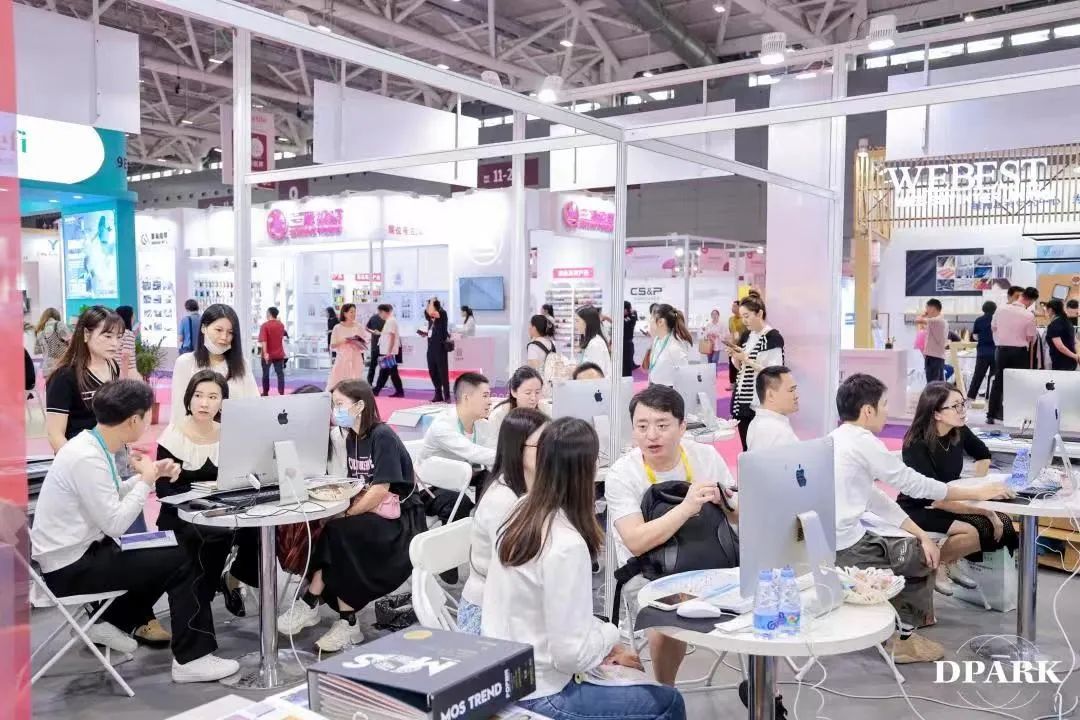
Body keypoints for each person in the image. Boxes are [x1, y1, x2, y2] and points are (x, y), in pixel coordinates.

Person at [30, 380, 240, 683]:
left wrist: (150, 475)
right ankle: (192, 659)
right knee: (183, 559)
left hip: (80, 553)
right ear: (133, 420)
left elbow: (110, 494)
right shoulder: (87, 457)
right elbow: (115, 523)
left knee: (168, 549)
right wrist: (146, 481)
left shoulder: (90, 445)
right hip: (70, 568)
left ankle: (112, 619)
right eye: (146, 416)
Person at [483, 417, 686, 720]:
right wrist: (610, 635)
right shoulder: (565, 544)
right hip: (543, 692)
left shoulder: (520, 509)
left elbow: (561, 623)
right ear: (588, 470)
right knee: (668, 702)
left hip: (506, 678)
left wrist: (603, 642)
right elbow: (570, 656)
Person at [830, 374, 1013, 663]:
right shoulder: (866, 442)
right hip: (848, 543)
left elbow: (875, 497)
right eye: (884, 404)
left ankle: (904, 629)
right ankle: (903, 640)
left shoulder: (839, 438)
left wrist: (921, 533)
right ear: (867, 410)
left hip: (848, 535)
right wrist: (977, 493)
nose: (887, 411)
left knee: (924, 546)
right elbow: (916, 486)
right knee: (922, 557)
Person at [277, 380, 425, 653]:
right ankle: (344, 620)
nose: (335, 411)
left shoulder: (382, 436)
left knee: (339, 533)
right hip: (374, 511)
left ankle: (313, 602)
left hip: (402, 519)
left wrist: (346, 513)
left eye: (339, 404)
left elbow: (380, 489)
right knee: (331, 533)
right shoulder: (352, 437)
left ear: (359, 406)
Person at [607, 385, 736, 685]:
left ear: (682, 427)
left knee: (763, 594)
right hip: (650, 572)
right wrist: (687, 508)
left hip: (712, 560)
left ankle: (767, 692)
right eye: (642, 426)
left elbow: (739, 514)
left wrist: (726, 503)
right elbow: (635, 541)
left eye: (662, 425)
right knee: (665, 620)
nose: (651, 435)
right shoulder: (623, 474)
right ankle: (668, 692)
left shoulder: (705, 456)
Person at [156, 370, 260, 617]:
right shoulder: (173, 435)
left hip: (224, 511)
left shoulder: (229, 434)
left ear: (223, 402)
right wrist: (200, 501)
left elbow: (243, 478)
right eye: (198, 395)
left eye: (213, 397)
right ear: (189, 399)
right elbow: (164, 490)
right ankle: (200, 600)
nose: (204, 403)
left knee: (260, 528)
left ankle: (233, 577)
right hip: (182, 516)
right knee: (214, 536)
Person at [901, 383, 1018, 595]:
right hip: (919, 507)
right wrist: (984, 508)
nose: (962, 410)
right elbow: (935, 498)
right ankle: (936, 565)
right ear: (936, 413)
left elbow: (983, 454)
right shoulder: (916, 443)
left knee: (1005, 523)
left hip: (950, 501)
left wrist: (976, 485)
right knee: (977, 530)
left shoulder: (958, 430)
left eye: (962, 404)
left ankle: (948, 560)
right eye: (955, 406)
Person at [458, 408, 548, 635]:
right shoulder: (502, 500)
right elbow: (512, 571)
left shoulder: (532, 487)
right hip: (489, 612)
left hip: (514, 602)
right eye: (542, 445)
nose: (551, 452)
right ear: (517, 449)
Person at [45, 306, 123, 452]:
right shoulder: (64, 376)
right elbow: (55, 435)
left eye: (118, 337)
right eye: (108, 336)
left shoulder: (112, 366)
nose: (115, 343)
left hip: (111, 455)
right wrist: (80, 461)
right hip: (80, 455)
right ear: (86, 334)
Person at [170, 304, 259, 424]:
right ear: (203, 328)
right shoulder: (185, 363)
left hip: (235, 431)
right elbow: (179, 410)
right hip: (197, 433)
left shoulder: (242, 364)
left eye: (230, 332)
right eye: (219, 330)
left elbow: (255, 403)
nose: (224, 337)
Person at [729, 296, 784, 450]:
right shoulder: (747, 336)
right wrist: (736, 356)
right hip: (743, 400)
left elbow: (774, 371)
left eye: (747, 316)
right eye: (742, 317)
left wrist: (746, 359)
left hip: (760, 403)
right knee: (746, 448)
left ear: (759, 313)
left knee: (760, 448)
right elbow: (741, 368)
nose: (744, 321)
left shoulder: (772, 337)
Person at [417, 371, 496, 469]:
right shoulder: (443, 425)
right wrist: (511, 458)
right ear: (466, 398)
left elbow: (492, 453)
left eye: (489, 396)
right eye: (485, 396)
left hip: (463, 476)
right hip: (431, 477)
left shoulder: (483, 424)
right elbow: (473, 452)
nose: (490, 402)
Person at [988, 286, 1038, 423]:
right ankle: (1016, 415)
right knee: (1018, 383)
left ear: (1021, 296)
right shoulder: (1029, 315)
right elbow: (1030, 338)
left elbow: (993, 327)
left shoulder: (1000, 309)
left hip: (1002, 351)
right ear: (1031, 301)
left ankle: (991, 415)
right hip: (1020, 353)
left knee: (998, 382)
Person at [745, 365, 800, 450]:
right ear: (770, 395)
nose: (796, 396)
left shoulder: (759, 423)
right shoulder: (776, 430)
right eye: (791, 390)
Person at [487, 366, 545, 437]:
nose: (533, 398)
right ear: (514, 392)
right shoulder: (499, 416)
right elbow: (493, 443)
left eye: (537, 392)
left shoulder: (545, 410)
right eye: (528, 393)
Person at [646, 304, 693, 387]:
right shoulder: (657, 340)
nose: (649, 322)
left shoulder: (674, 348)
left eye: (651, 318)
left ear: (660, 322)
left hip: (668, 392)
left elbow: (685, 379)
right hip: (654, 388)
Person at [327, 303, 367, 391]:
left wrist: (357, 342)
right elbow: (332, 345)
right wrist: (345, 340)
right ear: (345, 313)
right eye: (351, 312)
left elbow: (364, 345)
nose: (354, 314)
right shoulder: (337, 327)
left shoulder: (359, 326)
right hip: (342, 358)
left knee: (356, 380)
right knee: (339, 380)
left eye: (355, 312)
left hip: (356, 357)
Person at [421, 298, 451, 403]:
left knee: (442, 372)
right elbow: (427, 313)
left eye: (429, 305)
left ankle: (447, 396)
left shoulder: (442, 313)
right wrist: (425, 333)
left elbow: (431, 313)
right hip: (431, 347)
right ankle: (438, 394)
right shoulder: (430, 317)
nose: (427, 307)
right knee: (432, 371)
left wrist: (432, 300)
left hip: (440, 347)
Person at [372, 304, 405, 397]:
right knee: (385, 372)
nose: (379, 315)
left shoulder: (391, 321)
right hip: (387, 351)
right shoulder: (389, 321)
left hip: (388, 352)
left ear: (383, 312)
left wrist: (389, 352)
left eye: (379, 313)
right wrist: (380, 333)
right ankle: (377, 390)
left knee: (391, 372)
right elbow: (388, 335)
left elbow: (392, 336)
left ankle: (398, 391)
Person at [967, 301, 997, 401]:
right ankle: (989, 397)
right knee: (993, 376)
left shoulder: (979, 320)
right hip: (996, 352)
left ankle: (971, 397)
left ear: (983, 309)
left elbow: (975, 336)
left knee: (978, 375)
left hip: (982, 352)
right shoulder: (997, 319)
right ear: (995, 309)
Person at [258, 307, 289, 396]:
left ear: (269, 314)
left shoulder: (265, 325)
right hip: (279, 353)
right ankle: (281, 392)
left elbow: (264, 340)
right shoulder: (281, 325)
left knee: (266, 374)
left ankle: (265, 392)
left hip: (268, 354)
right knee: (280, 374)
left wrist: (265, 353)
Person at [575, 305, 611, 379]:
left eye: (577, 321)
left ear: (587, 322)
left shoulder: (595, 344)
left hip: (595, 385)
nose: (575, 325)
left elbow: (596, 375)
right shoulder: (592, 341)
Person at [34, 307, 70, 377]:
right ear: (57, 317)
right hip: (60, 368)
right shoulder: (59, 325)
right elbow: (72, 342)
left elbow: (38, 351)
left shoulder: (40, 333)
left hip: (46, 370)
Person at [919, 298, 948, 383]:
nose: (926, 310)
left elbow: (918, 320)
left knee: (932, 384)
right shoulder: (943, 321)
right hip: (938, 357)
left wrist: (923, 315)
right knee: (938, 383)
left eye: (927, 308)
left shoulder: (934, 321)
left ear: (932, 308)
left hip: (932, 357)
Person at [1045, 298, 1078, 371]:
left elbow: (1060, 347)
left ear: (1050, 310)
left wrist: (1075, 356)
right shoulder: (1067, 321)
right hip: (1071, 361)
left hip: (1061, 362)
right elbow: (1074, 341)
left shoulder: (1054, 325)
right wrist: (1075, 355)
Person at [115, 305, 140, 380]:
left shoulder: (116, 333)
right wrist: (125, 378)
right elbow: (125, 357)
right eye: (133, 315)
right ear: (128, 317)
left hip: (115, 370)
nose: (134, 317)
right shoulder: (128, 334)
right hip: (128, 372)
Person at [726, 300, 746, 387]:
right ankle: (732, 384)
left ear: (739, 307)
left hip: (742, 345)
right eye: (732, 306)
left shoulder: (744, 319)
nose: (732, 308)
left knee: (741, 365)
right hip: (732, 345)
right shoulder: (731, 319)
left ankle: (741, 383)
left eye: (734, 306)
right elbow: (731, 332)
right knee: (731, 364)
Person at [365, 306, 384, 385]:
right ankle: (373, 383)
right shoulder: (375, 318)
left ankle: (371, 383)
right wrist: (373, 332)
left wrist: (373, 332)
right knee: (377, 365)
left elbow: (366, 328)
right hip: (379, 345)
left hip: (380, 344)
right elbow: (366, 328)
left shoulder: (385, 318)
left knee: (375, 365)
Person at [622, 301, 639, 377]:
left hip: (627, 344)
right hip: (622, 344)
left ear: (626, 309)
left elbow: (623, 323)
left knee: (627, 365)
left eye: (623, 309)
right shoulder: (625, 317)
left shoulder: (632, 317)